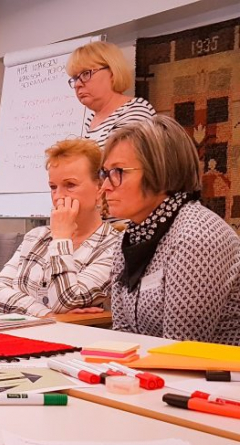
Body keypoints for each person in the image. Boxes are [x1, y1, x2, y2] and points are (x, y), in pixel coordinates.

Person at [103, 115, 240, 344]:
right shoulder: (132, 235)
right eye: (105, 173)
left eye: (118, 172)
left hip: (216, 377)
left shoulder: (197, 237)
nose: (106, 186)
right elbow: (122, 336)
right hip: (156, 373)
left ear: (160, 171)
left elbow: (183, 349)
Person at [0, 139, 121, 316]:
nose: (58, 196)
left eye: (70, 185)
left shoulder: (114, 246)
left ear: (99, 189)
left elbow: (65, 302)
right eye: (53, 187)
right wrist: (44, 314)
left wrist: (61, 238)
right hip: (25, 334)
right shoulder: (36, 236)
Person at [67, 41, 156, 148]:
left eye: (86, 73)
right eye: (75, 78)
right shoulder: (90, 121)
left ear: (112, 73)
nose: (77, 84)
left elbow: (120, 163)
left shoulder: (135, 111)